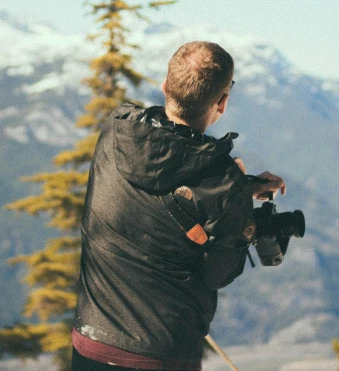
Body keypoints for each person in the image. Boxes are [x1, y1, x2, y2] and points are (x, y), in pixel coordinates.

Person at [72, 41, 287, 370]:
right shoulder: (223, 180)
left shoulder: (116, 130)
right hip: (165, 354)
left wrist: (238, 188)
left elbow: (160, 176)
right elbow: (219, 273)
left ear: (164, 86)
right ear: (222, 103)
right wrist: (238, 202)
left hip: (92, 343)